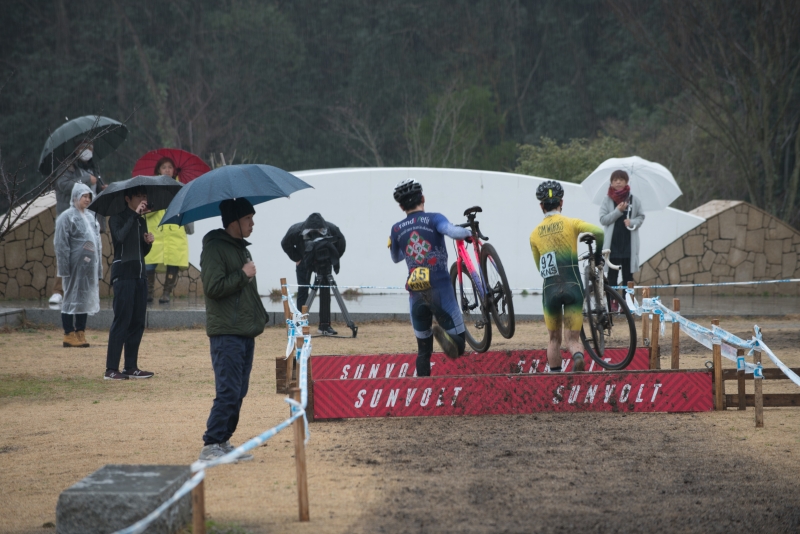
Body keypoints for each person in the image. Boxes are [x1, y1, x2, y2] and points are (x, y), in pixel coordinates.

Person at [198, 198, 268, 462]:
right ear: (234, 221)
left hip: (244, 331)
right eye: (248, 218)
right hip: (226, 332)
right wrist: (242, 274)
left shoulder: (241, 249)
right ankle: (211, 444)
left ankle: (224, 440)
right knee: (228, 390)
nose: (252, 223)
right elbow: (213, 287)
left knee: (239, 391)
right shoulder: (215, 248)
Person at [389, 180, 471, 376]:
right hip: (440, 291)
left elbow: (396, 258)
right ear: (423, 198)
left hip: (416, 294)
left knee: (423, 352)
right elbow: (453, 232)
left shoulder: (396, 229)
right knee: (459, 346)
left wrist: (406, 245)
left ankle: (423, 390)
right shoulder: (434, 219)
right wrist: (469, 233)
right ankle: (444, 335)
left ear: (401, 207)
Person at [529, 180, 604, 373]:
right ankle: (577, 356)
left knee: (554, 339)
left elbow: (540, 268)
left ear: (541, 206)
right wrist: (597, 256)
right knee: (572, 339)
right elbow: (599, 232)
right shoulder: (571, 223)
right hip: (573, 287)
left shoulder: (534, 235)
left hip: (550, 289)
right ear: (561, 203)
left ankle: (556, 378)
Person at [105, 186, 155, 381]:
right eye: (139, 196)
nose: (143, 199)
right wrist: (134, 215)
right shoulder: (116, 218)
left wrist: (148, 243)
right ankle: (111, 369)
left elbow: (141, 252)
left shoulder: (141, 220)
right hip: (123, 275)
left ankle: (131, 367)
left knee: (137, 322)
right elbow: (120, 238)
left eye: (145, 196)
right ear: (128, 199)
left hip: (140, 275)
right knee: (122, 321)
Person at [49, 141, 103, 305]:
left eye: (90, 147)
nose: (88, 151)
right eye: (84, 147)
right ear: (76, 149)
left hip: (90, 219)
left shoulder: (94, 168)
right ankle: (58, 291)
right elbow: (63, 184)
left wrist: (102, 187)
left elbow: (94, 191)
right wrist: (87, 179)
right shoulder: (67, 166)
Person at [53, 183, 102, 348]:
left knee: (84, 298)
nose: (87, 199)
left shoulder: (91, 217)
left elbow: (97, 243)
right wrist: (64, 268)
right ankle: (68, 334)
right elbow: (61, 244)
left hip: (89, 268)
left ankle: (80, 331)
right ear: (75, 197)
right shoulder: (66, 217)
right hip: (74, 266)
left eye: (89, 196)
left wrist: (98, 268)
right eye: (84, 196)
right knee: (70, 298)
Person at [281, 213, 346, 335]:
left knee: (325, 292)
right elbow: (285, 243)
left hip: (324, 261)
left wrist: (331, 259)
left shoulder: (332, 229)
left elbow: (341, 245)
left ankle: (325, 326)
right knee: (303, 290)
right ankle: (301, 324)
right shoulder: (295, 231)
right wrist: (297, 258)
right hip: (303, 260)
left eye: (319, 231)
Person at [143, 157, 194, 304]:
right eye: (164, 167)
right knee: (149, 262)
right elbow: (145, 212)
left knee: (173, 262)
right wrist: (157, 202)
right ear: (158, 170)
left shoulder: (181, 189)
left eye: (170, 167)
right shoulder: (151, 188)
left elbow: (186, 210)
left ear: (174, 171)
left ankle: (166, 293)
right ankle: (148, 292)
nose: (167, 170)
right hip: (155, 232)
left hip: (174, 232)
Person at [598, 170, 645, 306]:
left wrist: (632, 222)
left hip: (629, 245)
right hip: (612, 246)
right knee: (612, 276)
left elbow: (641, 217)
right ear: (611, 183)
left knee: (628, 276)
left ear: (626, 182)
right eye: (615, 180)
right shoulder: (607, 200)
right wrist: (618, 211)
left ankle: (628, 303)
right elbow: (603, 219)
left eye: (621, 180)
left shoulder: (634, 200)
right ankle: (612, 302)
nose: (618, 182)